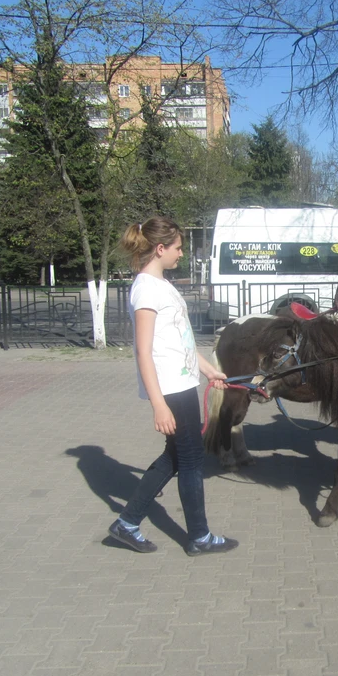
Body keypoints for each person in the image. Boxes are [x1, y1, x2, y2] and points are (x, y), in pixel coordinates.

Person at [108, 217, 239, 556]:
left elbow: (180, 340)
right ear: (161, 248)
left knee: (176, 456)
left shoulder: (161, 285)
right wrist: (158, 404)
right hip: (169, 388)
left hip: (181, 381)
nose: (182, 253)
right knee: (192, 458)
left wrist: (209, 371)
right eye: (178, 247)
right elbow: (143, 350)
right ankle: (199, 536)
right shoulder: (146, 289)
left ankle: (126, 523)